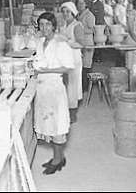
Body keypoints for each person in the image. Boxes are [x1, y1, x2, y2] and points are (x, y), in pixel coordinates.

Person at [33, 12, 75, 175]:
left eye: (48, 24)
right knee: (48, 124)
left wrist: (47, 70)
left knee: (57, 124)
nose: (44, 28)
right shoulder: (41, 42)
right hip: (42, 87)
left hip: (54, 87)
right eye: (41, 24)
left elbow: (68, 67)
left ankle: (58, 160)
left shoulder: (60, 44)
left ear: (54, 26)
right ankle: (57, 157)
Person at [60, 2, 84, 123]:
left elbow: (81, 43)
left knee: (73, 87)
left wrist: (66, 42)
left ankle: (73, 113)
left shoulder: (77, 25)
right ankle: (67, 110)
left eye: (68, 11)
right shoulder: (63, 25)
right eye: (63, 11)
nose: (65, 14)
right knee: (66, 86)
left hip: (74, 58)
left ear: (73, 12)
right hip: (65, 58)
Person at [76, 0, 95, 92]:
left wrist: (80, 31)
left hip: (88, 41)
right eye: (78, 3)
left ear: (86, 4)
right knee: (80, 64)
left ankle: (86, 86)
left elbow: (93, 30)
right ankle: (81, 86)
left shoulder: (89, 15)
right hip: (80, 41)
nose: (80, 5)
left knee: (86, 64)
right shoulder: (78, 15)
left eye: (82, 3)